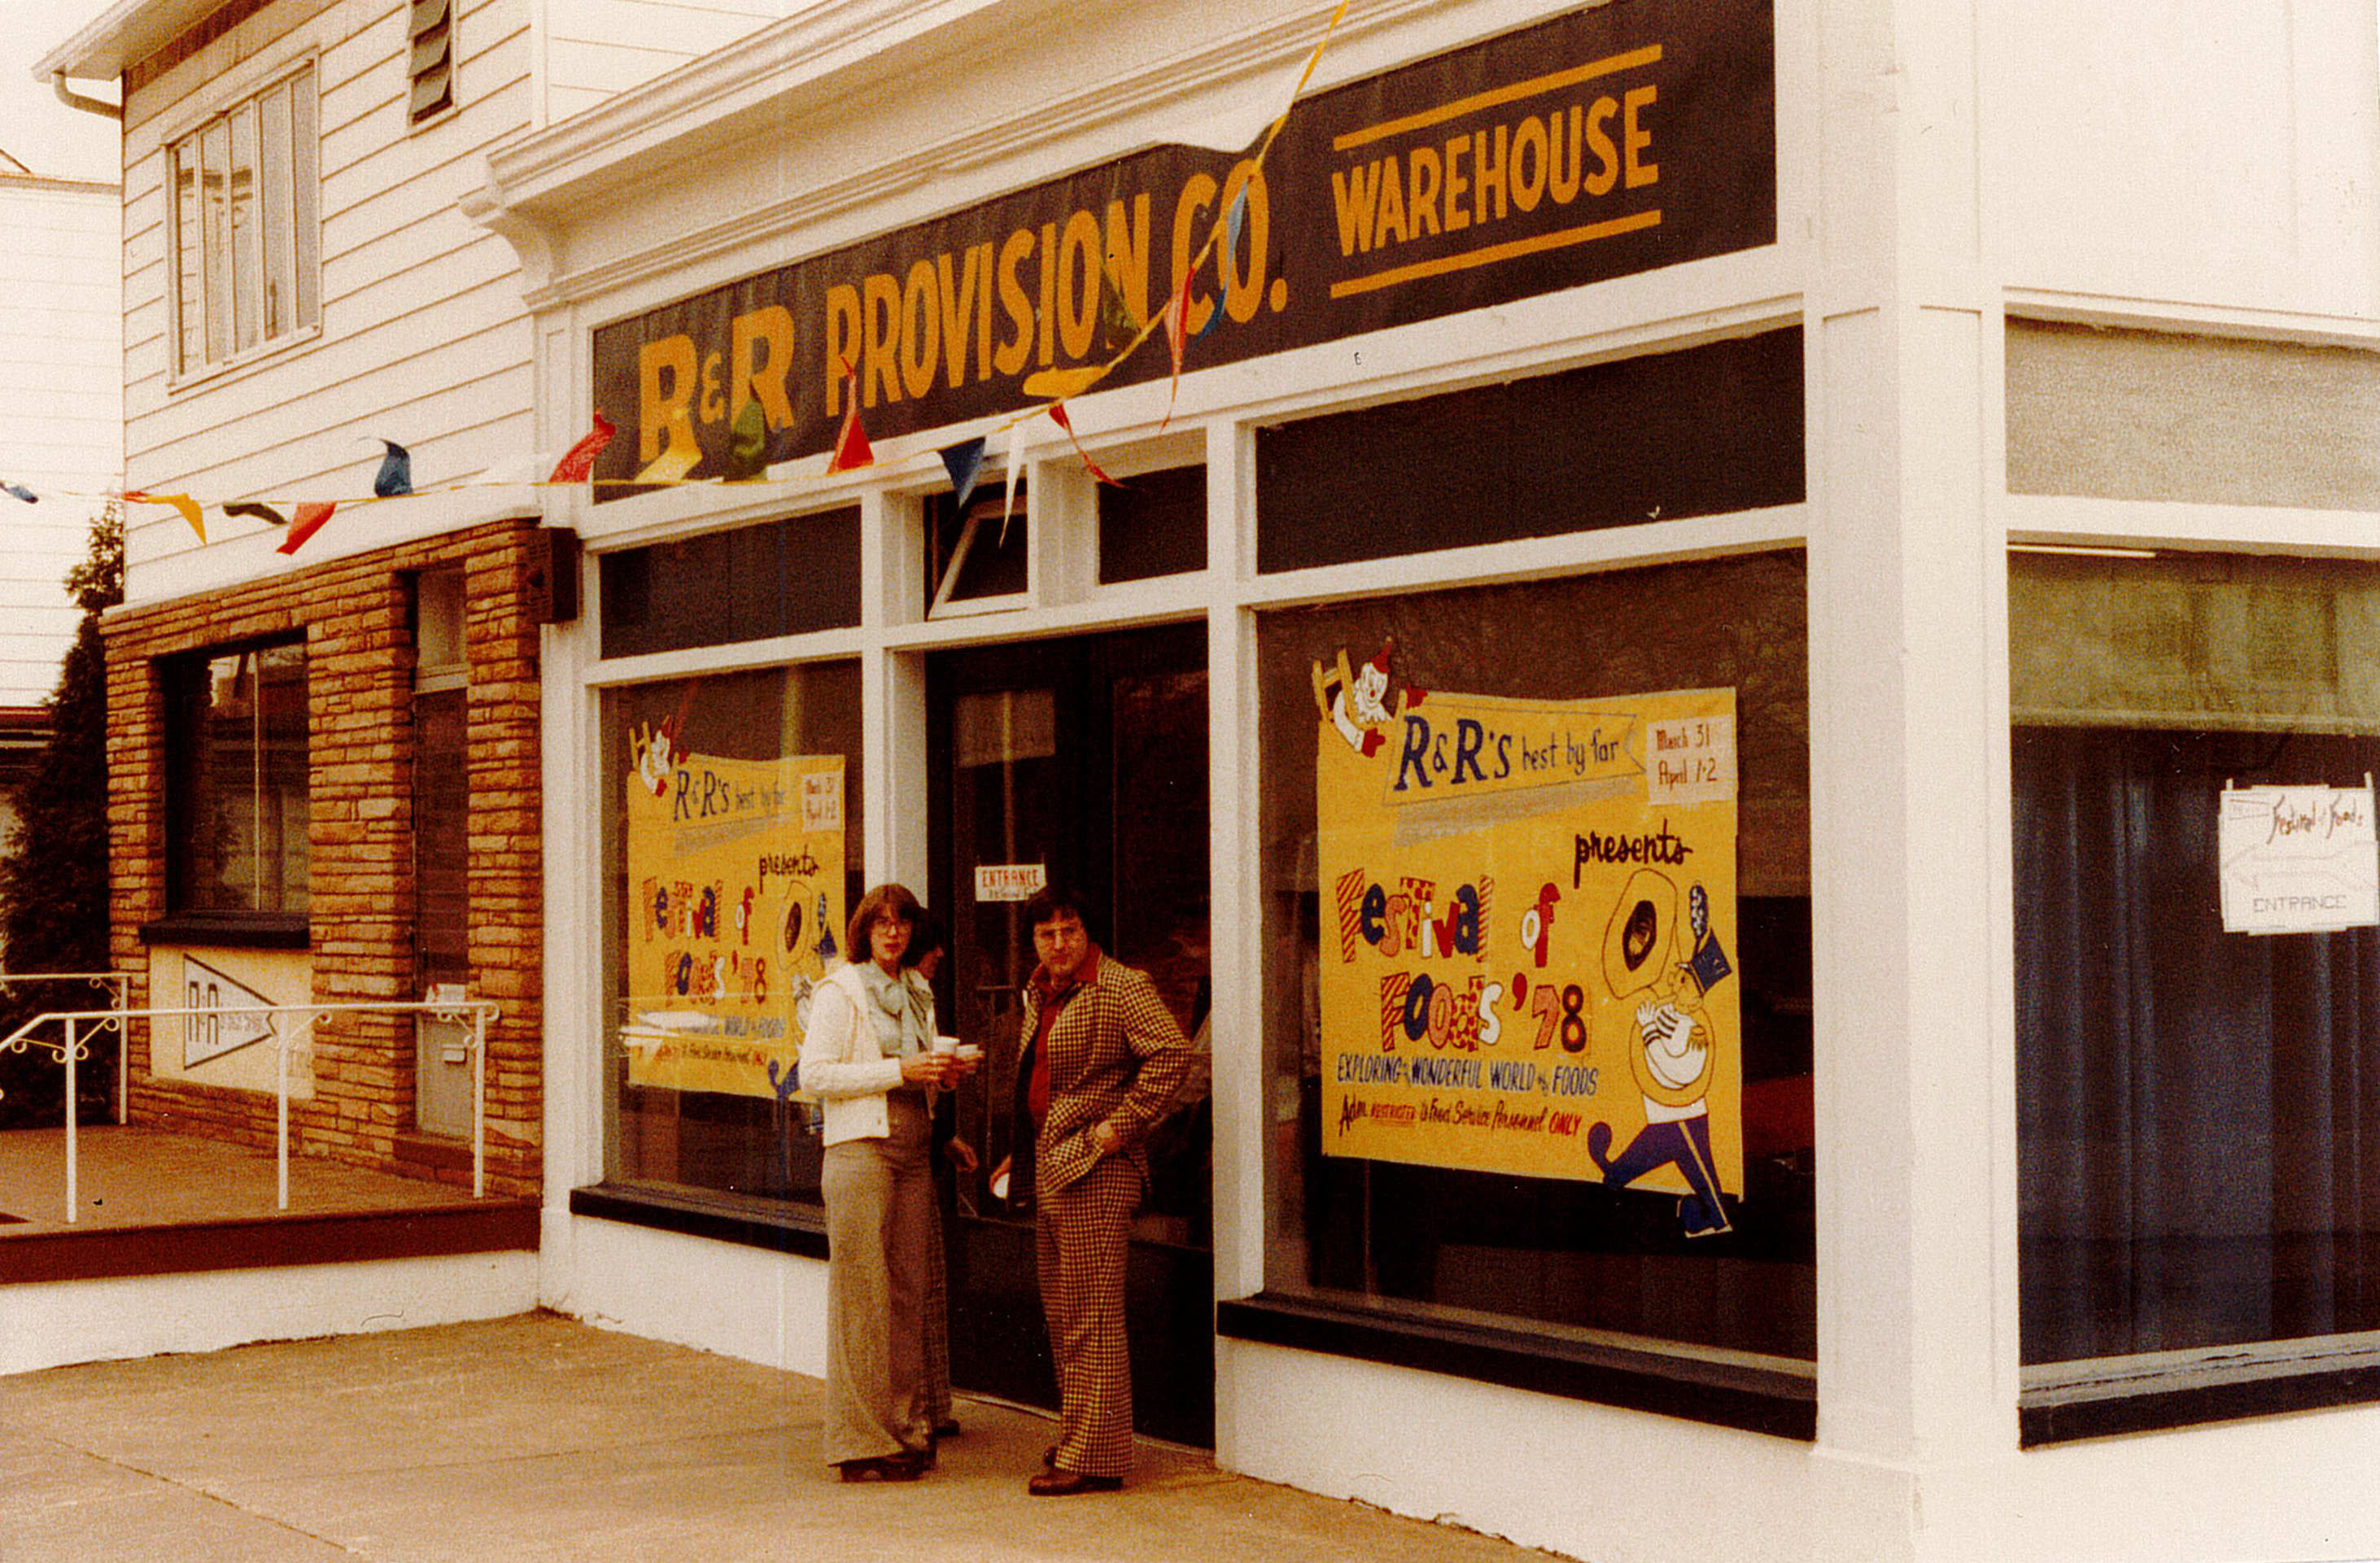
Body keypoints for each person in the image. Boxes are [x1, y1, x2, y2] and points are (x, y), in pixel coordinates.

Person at [994, 884, 1190, 1495]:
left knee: (1092, 1316)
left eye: (1069, 930)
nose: (1059, 943)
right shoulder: (1040, 991)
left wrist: (1117, 1130)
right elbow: (1040, 1081)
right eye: (1046, 933)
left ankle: (1097, 1458)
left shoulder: (1121, 986)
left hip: (1097, 1170)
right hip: (1052, 1164)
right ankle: (1083, 1435)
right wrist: (1022, 1150)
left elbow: (1171, 1054)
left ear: (1088, 932)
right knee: (1064, 1313)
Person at [800, 884, 973, 1482]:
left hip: (912, 1150)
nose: (893, 934)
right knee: (862, 1295)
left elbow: (919, 1072)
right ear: (864, 931)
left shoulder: (918, 990)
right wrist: (899, 1069)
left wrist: (944, 1075)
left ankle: (905, 1429)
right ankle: (858, 1441)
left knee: (907, 1292)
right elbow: (815, 1074)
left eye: (901, 924)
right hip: (860, 1150)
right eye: (882, 924)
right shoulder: (840, 991)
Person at [898, 907, 974, 1441]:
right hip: (899, 1160)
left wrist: (944, 1135)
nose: (941, 955)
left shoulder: (919, 995)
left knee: (927, 1283)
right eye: (933, 946)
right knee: (917, 1283)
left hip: (921, 1152)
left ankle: (932, 1404)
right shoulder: (896, 999)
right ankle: (920, 1407)